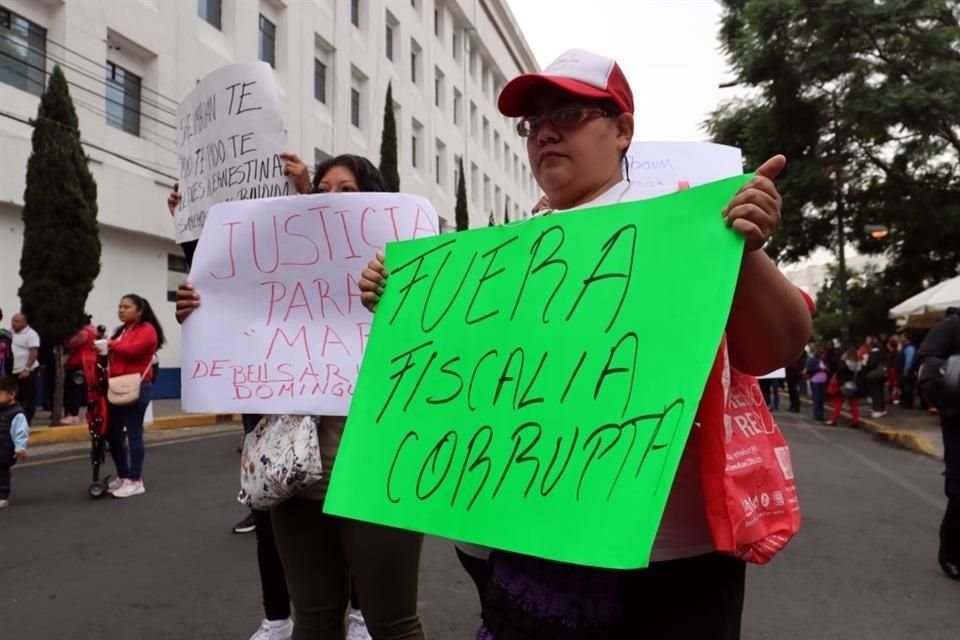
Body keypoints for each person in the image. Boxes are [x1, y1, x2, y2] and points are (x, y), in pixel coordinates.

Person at [360, 48, 811, 639]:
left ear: (622, 130)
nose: (544, 132)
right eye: (532, 123)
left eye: (567, 115)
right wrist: (403, 301)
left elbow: (774, 348)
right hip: (517, 544)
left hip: (663, 560)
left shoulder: (685, 229)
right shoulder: (501, 254)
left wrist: (746, 251)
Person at [177, 155, 419, 640]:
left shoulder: (404, 275)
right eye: (322, 189)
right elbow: (240, 300)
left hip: (373, 475)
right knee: (312, 618)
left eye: (346, 190)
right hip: (293, 476)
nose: (331, 198)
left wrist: (397, 301)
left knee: (392, 623)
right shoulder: (288, 269)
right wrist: (203, 314)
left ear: (376, 201)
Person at [104, 295, 164, 499]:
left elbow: (132, 351)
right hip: (116, 386)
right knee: (112, 433)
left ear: (139, 311)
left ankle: (135, 479)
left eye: (126, 307)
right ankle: (123, 475)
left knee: (133, 433)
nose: (121, 310)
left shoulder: (147, 330)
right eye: (119, 306)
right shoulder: (121, 331)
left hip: (138, 386)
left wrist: (109, 345)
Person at [916, 307, 960, 580]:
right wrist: (949, 400)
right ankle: (952, 552)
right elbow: (927, 366)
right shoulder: (952, 326)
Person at [0, 375, 29, 509]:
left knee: (2, 474)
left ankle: (2, 496)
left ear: (11, 394)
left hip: (5, 449)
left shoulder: (17, 414)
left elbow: (21, 433)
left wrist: (20, 448)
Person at [63, 316, 97, 424]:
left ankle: (74, 415)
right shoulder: (93, 331)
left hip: (77, 363)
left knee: (74, 390)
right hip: (88, 362)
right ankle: (90, 412)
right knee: (86, 389)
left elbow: (71, 343)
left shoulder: (83, 332)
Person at [10, 313, 40, 423]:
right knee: (14, 396)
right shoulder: (10, 333)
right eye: (13, 321)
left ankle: (27, 420)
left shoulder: (31, 334)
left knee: (28, 397)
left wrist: (27, 369)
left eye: (17, 321)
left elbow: (33, 352)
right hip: (13, 370)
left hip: (27, 371)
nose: (14, 323)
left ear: (24, 322)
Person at [826, 349, 861, 427]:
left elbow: (838, 374)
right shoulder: (859, 365)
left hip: (843, 385)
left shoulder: (844, 364)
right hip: (854, 386)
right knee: (854, 405)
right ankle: (855, 421)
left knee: (838, 404)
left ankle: (833, 420)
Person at [862, 338, 887, 418]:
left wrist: (865, 365)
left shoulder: (873, 353)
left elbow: (872, 364)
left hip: (874, 375)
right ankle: (882, 409)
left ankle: (877, 410)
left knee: (875, 393)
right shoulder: (881, 352)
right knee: (880, 392)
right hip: (882, 374)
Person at [805, 345, 830, 422]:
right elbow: (809, 369)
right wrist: (819, 368)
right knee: (817, 398)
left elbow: (829, 369)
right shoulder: (812, 360)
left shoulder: (825, 361)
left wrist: (826, 369)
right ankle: (817, 415)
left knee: (822, 399)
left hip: (823, 381)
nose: (824, 355)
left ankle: (821, 415)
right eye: (822, 353)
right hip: (815, 381)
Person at [897, 332, 917, 409]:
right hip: (902, 371)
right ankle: (905, 402)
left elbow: (909, 359)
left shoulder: (910, 348)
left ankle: (908, 403)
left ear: (906, 338)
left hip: (907, 372)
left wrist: (906, 369)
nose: (900, 339)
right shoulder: (904, 347)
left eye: (902, 337)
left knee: (907, 388)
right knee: (903, 387)